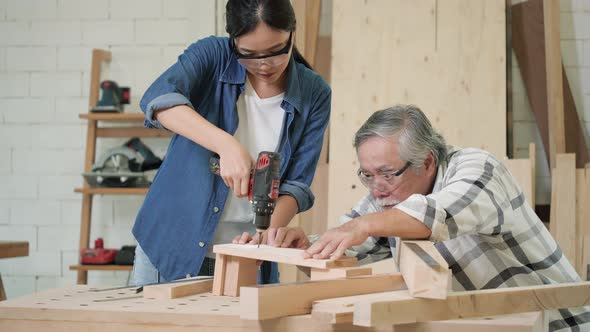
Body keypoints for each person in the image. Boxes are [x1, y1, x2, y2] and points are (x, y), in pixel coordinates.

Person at [263, 104, 590, 331]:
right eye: (367, 175)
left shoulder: (478, 169)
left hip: (556, 324)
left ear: (428, 162)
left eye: (387, 173)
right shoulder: (388, 197)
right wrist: (307, 244)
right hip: (493, 323)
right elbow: (350, 244)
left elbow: (434, 216)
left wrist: (362, 225)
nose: (377, 188)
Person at [131, 0, 331, 286]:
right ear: (233, 41)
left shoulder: (315, 93)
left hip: (248, 253)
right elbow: (158, 100)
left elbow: (296, 185)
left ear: (292, 33)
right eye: (248, 54)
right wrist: (226, 145)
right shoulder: (213, 56)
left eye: (276, 52)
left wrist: (266, 234)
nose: (263, 65)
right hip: (172, 244)